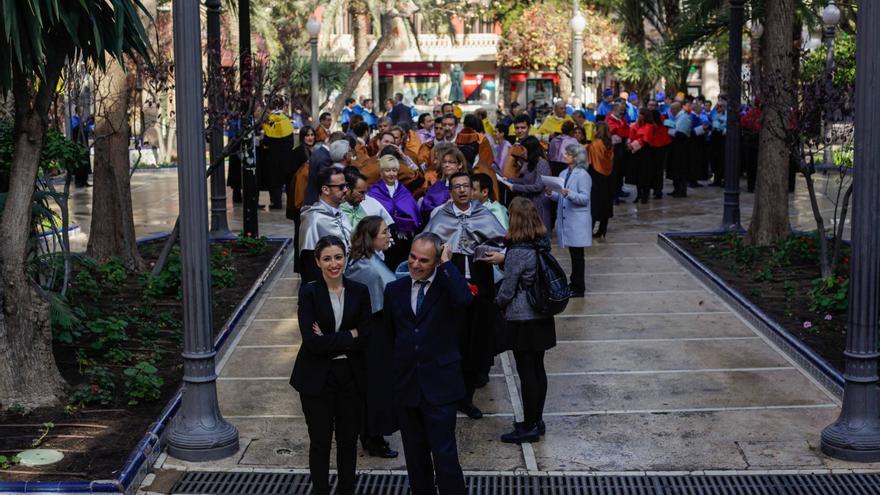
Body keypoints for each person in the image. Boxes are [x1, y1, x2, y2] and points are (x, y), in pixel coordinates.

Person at [382, 232, 471, 494]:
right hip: (408, 387)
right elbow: (390, 337)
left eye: (424, 260)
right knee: (415, 457)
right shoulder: (394, 290)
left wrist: (446, 264)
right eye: (412, 257)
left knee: (444, 456)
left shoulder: (447, 287)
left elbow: (465, 300)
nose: (415, 264)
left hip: (441, 387)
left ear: (435, 261)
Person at [290, 235, 371, 495]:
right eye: (327, 258)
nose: (334, 263)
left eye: (338, 257)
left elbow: (367, 336)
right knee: (320, 441)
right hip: (316, 377)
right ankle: (320, 490)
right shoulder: (309, 292)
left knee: (348, 441)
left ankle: (347, 489)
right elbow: (312, 343)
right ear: (317, 262)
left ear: (346, 258)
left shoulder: (360, 291)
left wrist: (331, 339)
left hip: (351, 375)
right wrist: (350, 336)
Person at [425, 172, 506, 420]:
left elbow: (501, 241)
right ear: (450, 191)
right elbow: (428, 244)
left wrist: (492, 252)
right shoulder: (442, 216)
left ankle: (468, 396)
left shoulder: (484, 214)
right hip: (452, 281)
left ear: (472, 190)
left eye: (466, 186)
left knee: (476, 339)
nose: (461, 191)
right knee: (452, 339)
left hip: (481, 282)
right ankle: (449, 393)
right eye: (456, 187)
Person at [495, 197, 556, 443]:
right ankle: (536, 420)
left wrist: (496, 303)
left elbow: (508, 290)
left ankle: (529, 426)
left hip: (523, 318)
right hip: (541, 315)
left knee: (527, 372)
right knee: (538, 370)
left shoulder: (518, 250)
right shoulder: (541, 243)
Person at [345, 217, 400, 459]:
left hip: (380, 330)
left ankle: (371, 433)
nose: (389, 235)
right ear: (371, 237)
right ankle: (373, 437)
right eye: (385, 232)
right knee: (376, 387)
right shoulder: (364, 268)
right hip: (375, 334)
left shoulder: (370, 259)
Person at [547, 144, 592, 297]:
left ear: (576, 157)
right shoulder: (564, 172)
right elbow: (561, 195)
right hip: (568, 219)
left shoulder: (583, 175)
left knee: (578, 256)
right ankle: (574, 283)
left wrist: (569, 194)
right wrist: (550, 193)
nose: (564, 155)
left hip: (577, 221)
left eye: (568, 154)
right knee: (574, 255)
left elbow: (585, 199)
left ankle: (579, 287)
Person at [298, 167, 353, 283]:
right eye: (341, 187)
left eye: (346, 185)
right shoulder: (313, 220)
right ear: (325, 189)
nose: (345, 190)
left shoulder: (341, 211)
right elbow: (309, 263)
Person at [367, 154, 421, 270]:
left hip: (404, 238)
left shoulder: (403, 191)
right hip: (383, 238)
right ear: (381, 172)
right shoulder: (373, 192)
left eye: (394, 170)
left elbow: (412, 211)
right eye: (387, 170)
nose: (391, 174)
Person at [502, 136, 552, 231]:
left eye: (523, 149)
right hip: (527, 204)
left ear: (530, 149)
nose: (522, 152)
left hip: (538, 206)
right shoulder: (528, 163)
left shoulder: (542, 163)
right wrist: (508, 180)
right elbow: (525, 181)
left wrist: (516, 187)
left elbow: (538, 186)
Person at [288, 126, 316, 271]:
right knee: (299, 232)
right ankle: (299, 265)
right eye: (307, 135)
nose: (310, 138)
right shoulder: (298, 153)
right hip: (299, 201)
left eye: (312, 135)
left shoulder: (314, 151)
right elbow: (292, 177)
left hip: (309, 199)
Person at [420, 145, 466, 223]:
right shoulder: (437, 186)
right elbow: (426, 208)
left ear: (460, 165)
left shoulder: (468, 184)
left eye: (451, 162)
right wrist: (443, 207)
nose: (446, 165)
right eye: (444, 162)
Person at [587, 122, 614, 239]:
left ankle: (589, 230)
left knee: (594, 204)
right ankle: (603, 229)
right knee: (605, 203)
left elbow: (591, 161)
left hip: (596, 176)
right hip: (608, 176)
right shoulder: (609, 144)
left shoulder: (595, 144)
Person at [627, 108, 656, 204]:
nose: (639, 116)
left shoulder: (650, 126)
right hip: (636, 153)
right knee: (637, 174)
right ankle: (639, 194)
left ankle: (645, 195)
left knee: (645, 174)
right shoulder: (636, 125)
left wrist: (632, 145)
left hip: (645, 152)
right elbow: (631, 135)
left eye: (641, 114)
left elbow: (645, 139)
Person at [606, 101, 631, 202]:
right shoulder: (610, 119)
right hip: (614, 149)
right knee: (614, 172)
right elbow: (616, 130)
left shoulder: (620, 118)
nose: (623, 110)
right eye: (621, 108)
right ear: (615, 108)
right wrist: (623, 130)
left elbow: (626, 129)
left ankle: (619, 189)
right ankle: (613, 194)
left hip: (621, 147)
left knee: (620, 170)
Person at [667, 102, 692, 197]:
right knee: (676, 168)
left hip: (681, 147)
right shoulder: (678, 117)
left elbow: (681, 133)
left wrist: (670, 131)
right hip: (676, 146)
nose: (670, 111)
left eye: (671, 109)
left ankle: (681, 190)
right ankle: (676, 189)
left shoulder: (684, 117)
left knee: (681, 168)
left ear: (675, 109)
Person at [646, 109, 672, 199]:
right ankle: (658, 191)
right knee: (659, 172)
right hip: (661, 151)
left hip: (651, 150)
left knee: (649, 171)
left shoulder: (651, 126)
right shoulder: (664, 125)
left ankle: (649, 189)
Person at [710, 100, 727, 187]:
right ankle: (716, 180)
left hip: (722, 139)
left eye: (720, 107)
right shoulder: (715, 115)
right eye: (717, 106)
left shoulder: (727, 115)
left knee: (722, 160)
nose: (718, 108)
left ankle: (723, 179)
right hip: (715, 138)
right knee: (715, 159)